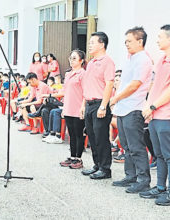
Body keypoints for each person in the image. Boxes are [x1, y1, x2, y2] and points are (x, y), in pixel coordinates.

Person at [110, 27, 152, 193]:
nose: (126, 44)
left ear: (140, 41)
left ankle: (143, 180)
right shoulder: (130, 58)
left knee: (136, 146)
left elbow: (135, 84)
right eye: (125, 41)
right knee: (126, 145)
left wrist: (116, 98)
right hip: (123, 108)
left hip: (134, 108)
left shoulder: (143, 59)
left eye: (129, 40)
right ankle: (130, 175)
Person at [141, 24, 170, 206]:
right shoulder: (161, 59)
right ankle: (160, 187)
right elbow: (153, 86)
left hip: (167, 115)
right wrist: (147, 107)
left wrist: (153, 106)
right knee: (159, 154)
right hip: (154, 115)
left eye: (160, 37)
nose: (157, 40)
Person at [80, 32, 115, 180]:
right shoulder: (91, 63)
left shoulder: (107, 61)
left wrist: (103, 106)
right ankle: (97, 164)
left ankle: (105, 169)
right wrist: (83, 105)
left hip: (100, 104)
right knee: (92, 137)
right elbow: (88, 85)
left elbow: (109, 84)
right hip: (89, 103)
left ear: (102, 44)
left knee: (101, 138)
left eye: (92, 42)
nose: (90, 45)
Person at [58, 50, 86, 169]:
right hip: (68, 107)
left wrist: (83, 107)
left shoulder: (83, 74)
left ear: (81, 61)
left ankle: (79, 158)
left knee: (79, 133)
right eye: (70, 58)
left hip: (78, 107)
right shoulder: (69, 74)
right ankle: (72, 156)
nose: (71, 60)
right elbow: (65, 92)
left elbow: (86, 92)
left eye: (74, 58)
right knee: (71, 133)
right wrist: (64, 108)